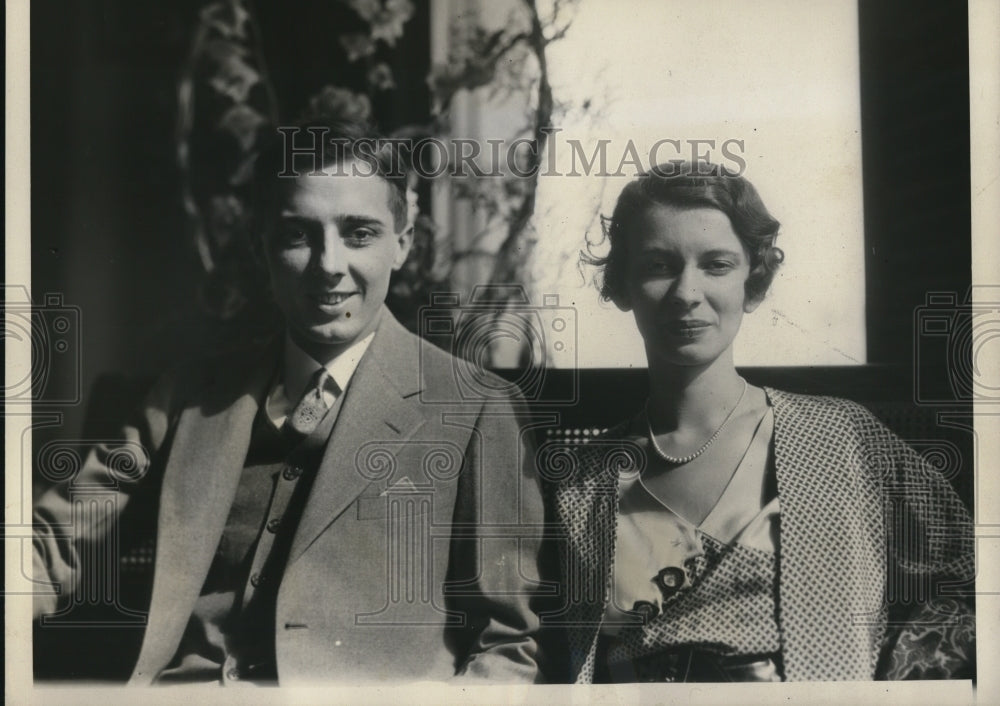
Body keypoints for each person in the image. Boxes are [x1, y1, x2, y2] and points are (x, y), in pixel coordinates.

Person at [32, 117, 552, 685]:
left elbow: (505, 644)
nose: (329, 265)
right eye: (298, 235)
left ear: (401, 244)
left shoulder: (475, 407)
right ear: (263, 248)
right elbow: (55, 543)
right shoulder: (186, 398)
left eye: (359, 233)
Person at [545, 161, 975, 682]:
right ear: (623, 284)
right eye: (659, 265)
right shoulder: (579, 484)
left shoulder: (842, 440)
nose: (686, 291)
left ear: (754, 278)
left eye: (716, 264)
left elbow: (967, 584)